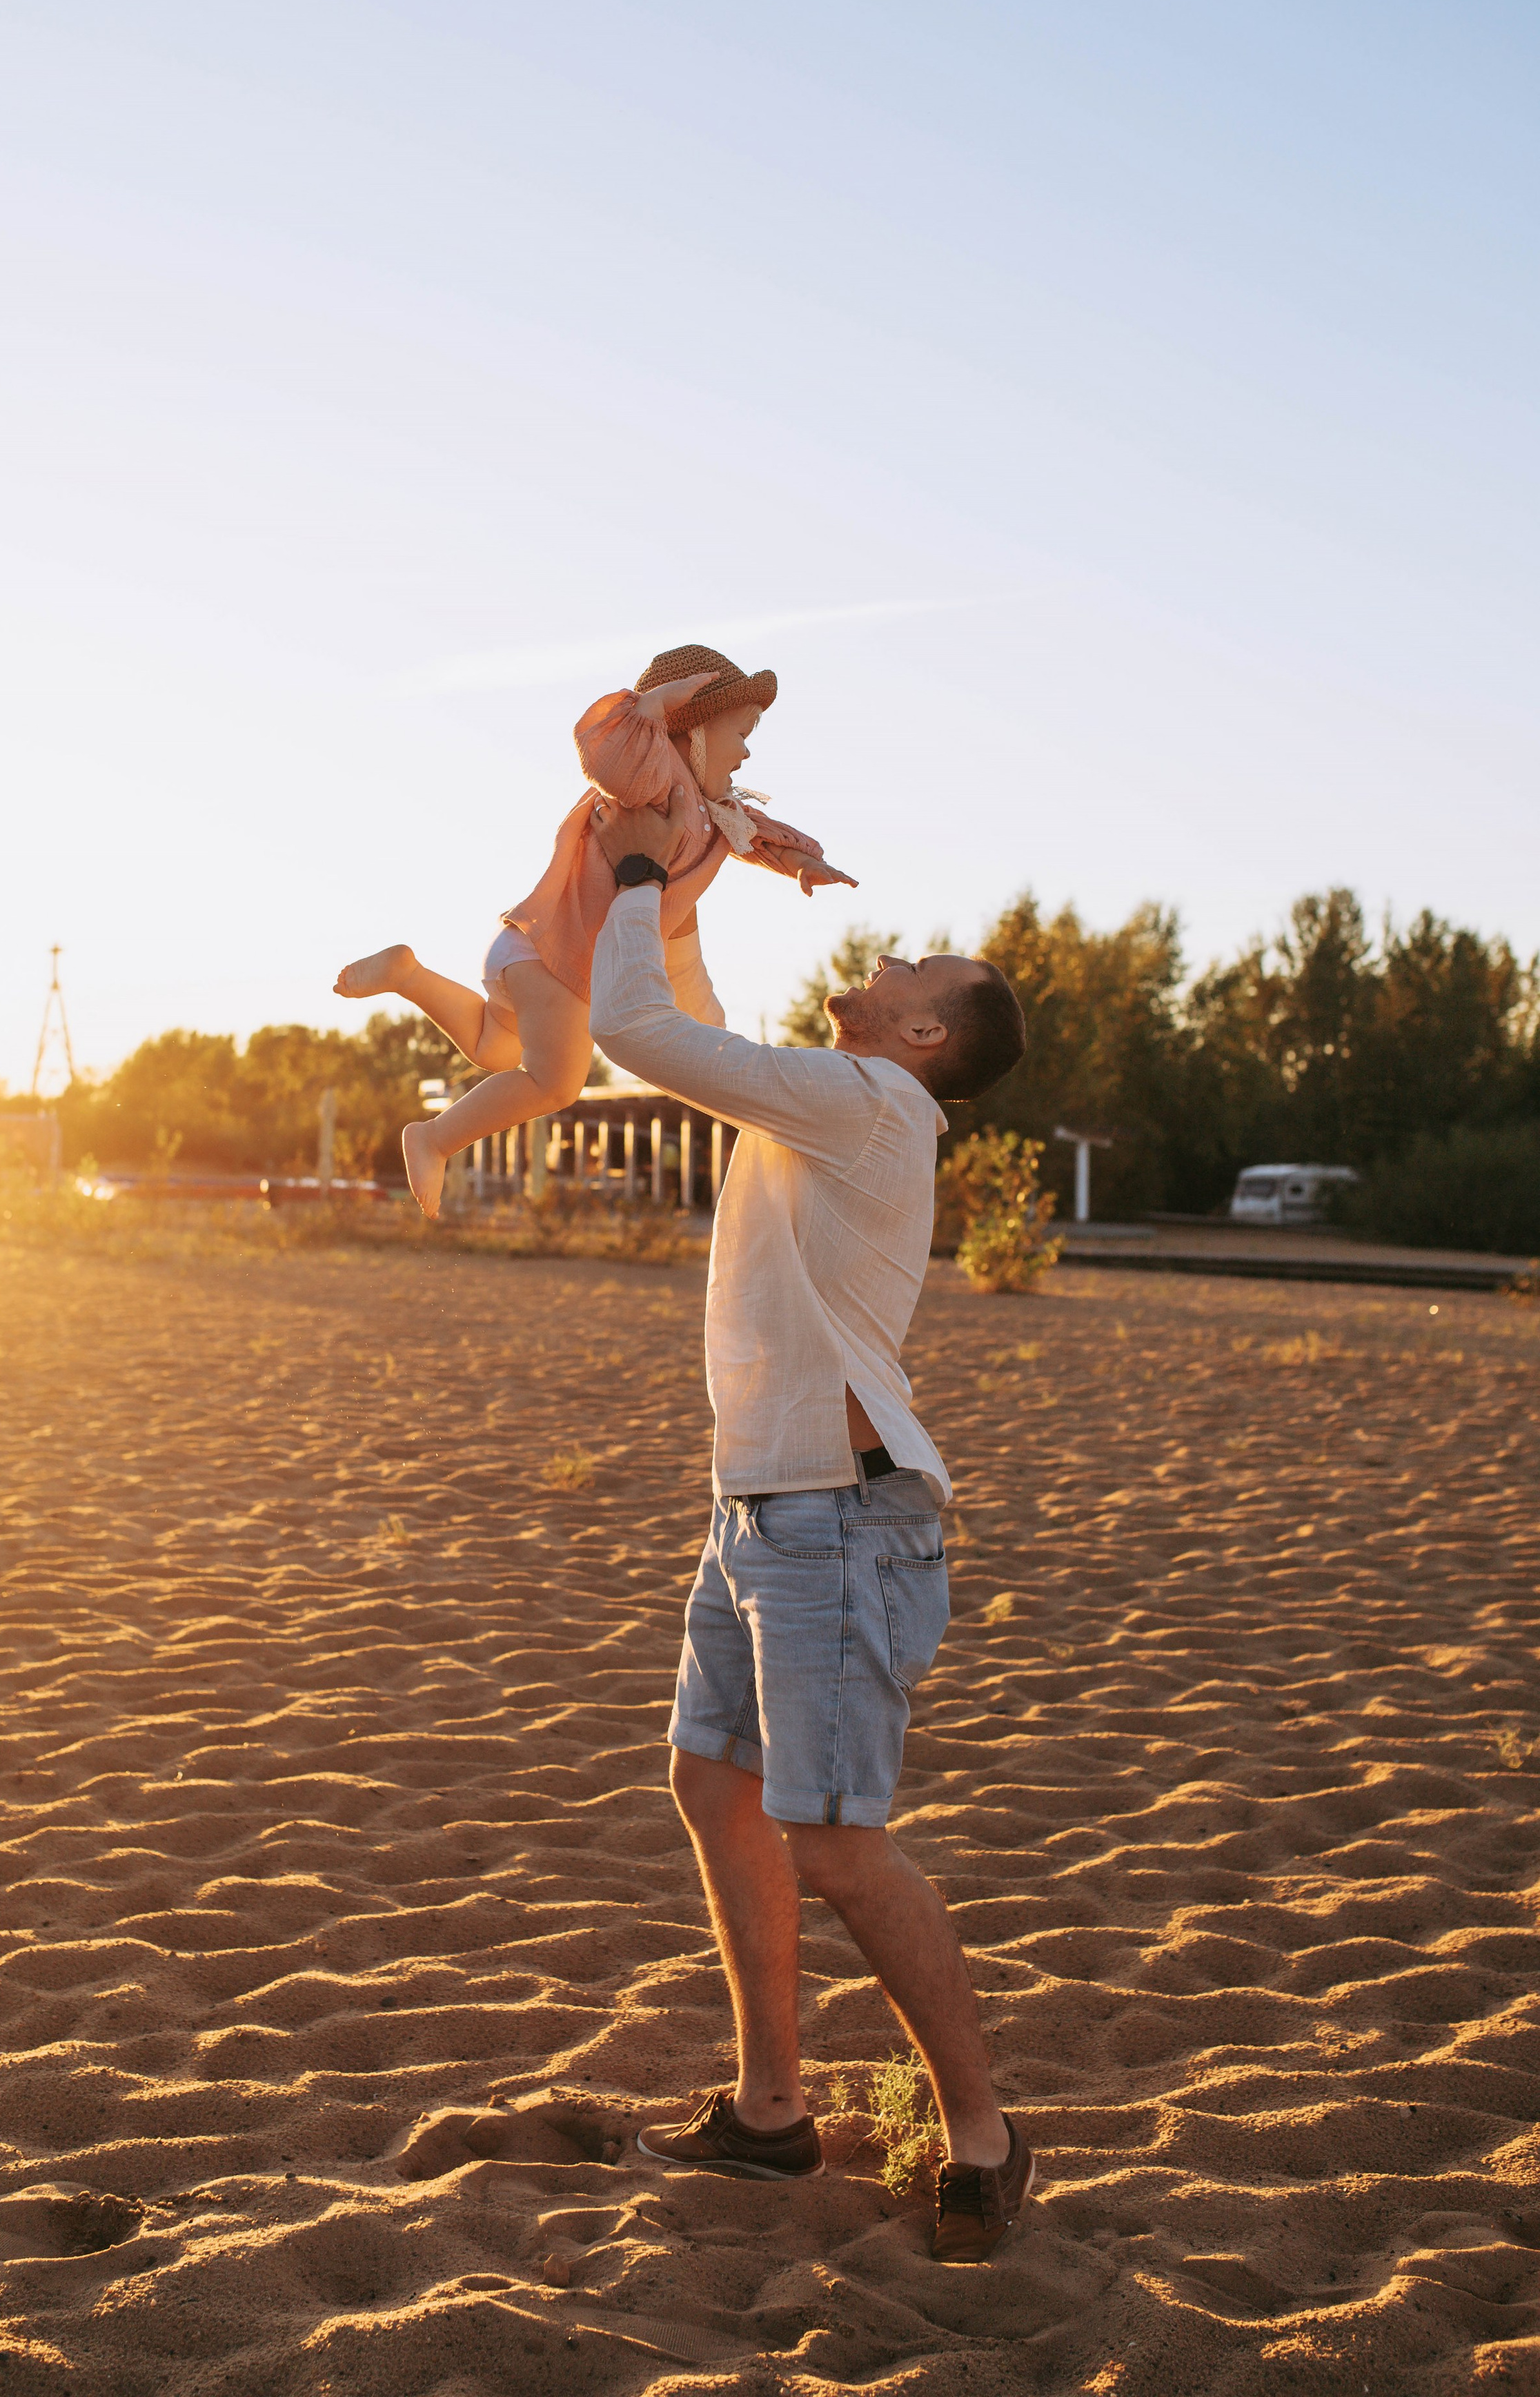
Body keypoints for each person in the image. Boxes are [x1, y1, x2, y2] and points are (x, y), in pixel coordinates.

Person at [586, 785, 1034, 2265]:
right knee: (711, 1787)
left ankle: (979, 2138)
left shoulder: (866, 1103)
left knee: (835, 1845)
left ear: (922, 1037)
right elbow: (691, 1016)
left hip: (837, 1526)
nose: (891, 959)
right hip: (759, 1513)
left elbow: (641, 1036)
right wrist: (689, 876)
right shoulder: (828, 1093)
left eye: (918, 969)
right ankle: (771, 2114)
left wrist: (642, 862)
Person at [333, 644, 855, 1216]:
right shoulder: (651, 779)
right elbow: (608, 750)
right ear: (695, 730)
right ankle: (432, 1139)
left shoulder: (717, 809)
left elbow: (758, 833)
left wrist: (804, 863)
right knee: (556, 1085)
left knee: (494, 1048)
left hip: (539, 958)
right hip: (557, 959)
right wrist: (650, 710)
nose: (748, 752)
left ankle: (407, 974)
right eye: (741, 732)